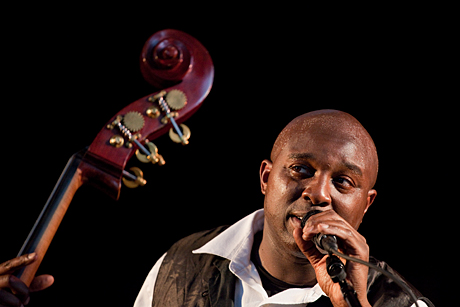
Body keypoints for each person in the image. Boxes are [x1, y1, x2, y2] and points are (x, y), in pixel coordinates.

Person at [0, 110, 433, 307]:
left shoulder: (398, 303)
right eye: (300, 169)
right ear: (266, 178)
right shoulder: (178, 264)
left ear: (366, 204)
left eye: (344, 182)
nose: (319, 194)